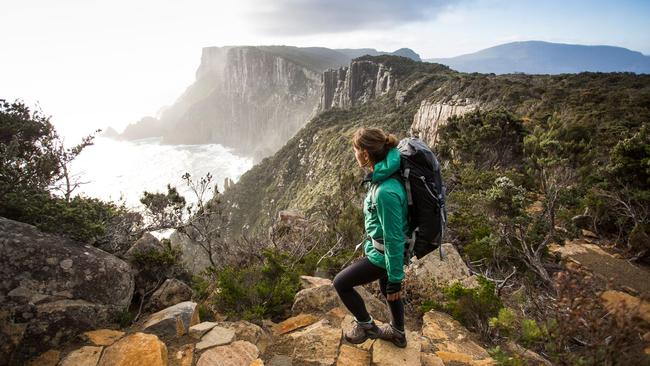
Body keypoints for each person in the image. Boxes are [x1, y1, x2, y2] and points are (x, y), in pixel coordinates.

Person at [333, 127, 409, 348]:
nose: (354, 154)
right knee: (387, 290)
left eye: (355, 150)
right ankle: (398, 332)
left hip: (385, 254)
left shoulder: (386, 191)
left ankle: (366, 326)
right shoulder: (384, 173)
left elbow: (394, 237)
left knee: (341, 283)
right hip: (382, 251)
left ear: (365, 153)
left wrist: (396, 278)